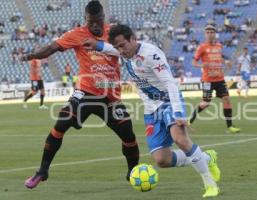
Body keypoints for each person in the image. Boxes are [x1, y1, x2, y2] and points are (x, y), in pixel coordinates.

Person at [83, 24, 220, 198]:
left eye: (122, 45)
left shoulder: (151, 54)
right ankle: (207, 158)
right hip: (151, 109)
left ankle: (210, 184)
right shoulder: (125, 52)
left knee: (181, 139)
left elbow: (170, 83)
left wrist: (178, 113)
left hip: (169, 102)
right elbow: (112, 48)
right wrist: (97, 45)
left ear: (133, 39)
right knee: (162, 160)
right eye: (118, 47)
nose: (120, 50)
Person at [20, 0, 139, 189]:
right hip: (85, 92)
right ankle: (42, 171)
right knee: (61, 123)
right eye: (90, 22)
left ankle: (134, 173)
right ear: (86, 19)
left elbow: (132, 49)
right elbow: (51, 48)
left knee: (128, 135)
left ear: (103, 18)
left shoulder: (114, 34)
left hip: (110, 96)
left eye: (97, 21)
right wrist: (31, 56)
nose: (94, 26)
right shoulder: (76, 34)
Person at [189, 22, 240, 134]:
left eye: (212, 32)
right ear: (205, 34)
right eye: (207, 32)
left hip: (220, 78)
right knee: (206, 103)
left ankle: (230, 126)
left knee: (226, 100)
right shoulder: (202, 47)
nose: (209, 34)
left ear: (215, 34)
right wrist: (201, 65)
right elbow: (193, 62)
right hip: (208, 80)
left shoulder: (219, 46)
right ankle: (189, 120)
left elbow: (219, 57)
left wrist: (226, 62)